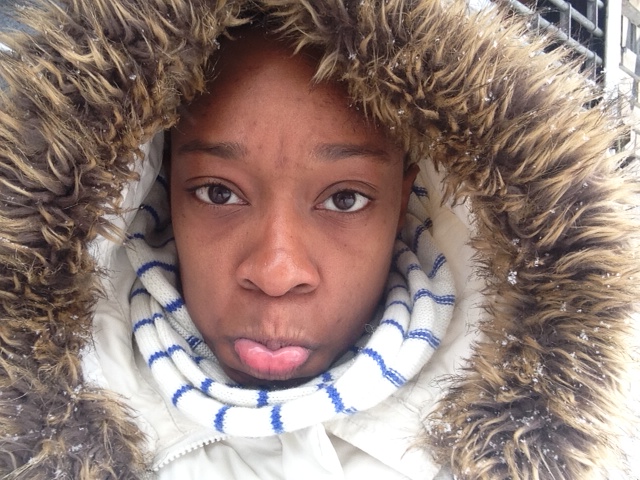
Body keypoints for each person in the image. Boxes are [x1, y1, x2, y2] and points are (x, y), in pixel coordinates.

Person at [0, 0, 638, 479]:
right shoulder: (39, 427)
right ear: (159, 184)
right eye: (218, 192)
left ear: (408, 197)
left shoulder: (568, 447)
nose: (277, 272)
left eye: (344, 199)